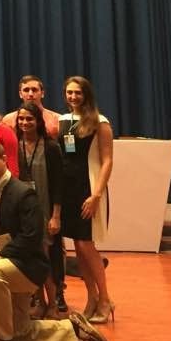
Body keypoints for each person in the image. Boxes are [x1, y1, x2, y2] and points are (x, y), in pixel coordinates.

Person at [0, 140, 109, 341]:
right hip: (3, 263)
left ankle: (0, 338)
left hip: (28, 266)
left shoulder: (23, 192)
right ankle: (73, 329)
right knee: (21, 332)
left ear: (4, 160)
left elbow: (31, 237)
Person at [59, 76, 115, 325]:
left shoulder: (100, 122)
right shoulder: (63, 121)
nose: (73, 97)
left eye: (78, 93)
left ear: (87, 95)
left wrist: (96, 195)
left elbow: (107, 160)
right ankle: (91, 298)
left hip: (88, 188)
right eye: (69, 93)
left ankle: (105, 299)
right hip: (68, 190)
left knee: (86, 245)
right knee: (77, 247)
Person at [15, 101, 66, 317]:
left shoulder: (51, 147)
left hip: (45, 212)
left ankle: (54, 303)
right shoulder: (14, 145)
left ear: (38, 121)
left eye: (30, 119)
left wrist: (56, 216)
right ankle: (40, 302)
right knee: (30, 258)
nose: (25, 122)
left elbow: (58, 185)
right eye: (21, 119)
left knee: (46, 258)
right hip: (24, 213)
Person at [2, 75, 63, 139]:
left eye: (34, 90)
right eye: (26, 90)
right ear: (20, 94)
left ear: (42, 93)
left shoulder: (57, 119)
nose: (30, 94)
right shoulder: (8, 120)